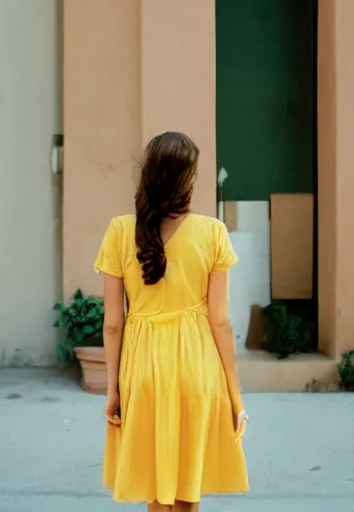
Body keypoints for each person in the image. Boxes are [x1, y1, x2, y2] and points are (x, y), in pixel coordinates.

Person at [94, 131, 249, 511]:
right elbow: (221, 321)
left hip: (143, 371)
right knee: (187, 490)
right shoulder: (212, 233)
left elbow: (113, 323)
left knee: (156, 488)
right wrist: (234, 395)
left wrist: (113, 388)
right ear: (187, 180)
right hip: (197, 369)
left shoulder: (118, 232)